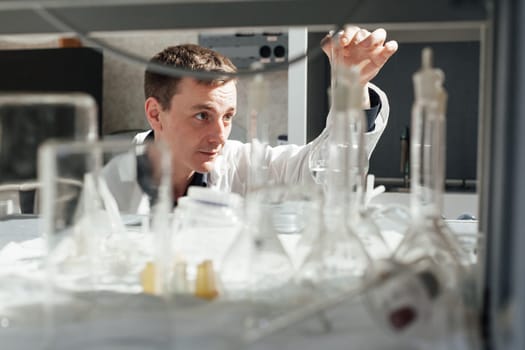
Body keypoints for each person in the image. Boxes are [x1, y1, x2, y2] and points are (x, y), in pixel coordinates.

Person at [103, 26, 398, 213]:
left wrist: (352, 88)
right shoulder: (106, 187)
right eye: (202, 115)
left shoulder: (244, 165)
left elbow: (325, 175)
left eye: (228, 116)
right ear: (156, 114)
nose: (220, 135)